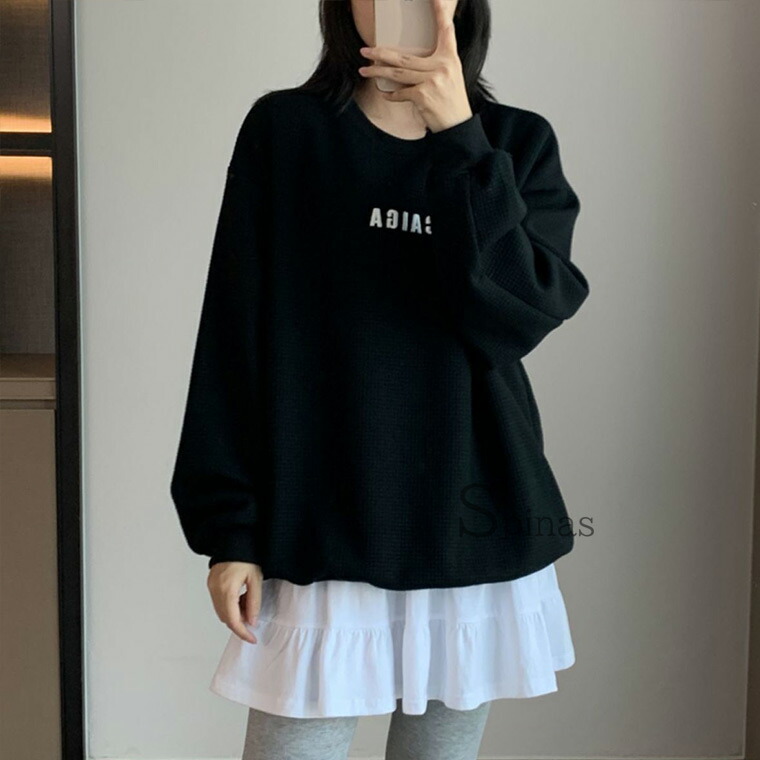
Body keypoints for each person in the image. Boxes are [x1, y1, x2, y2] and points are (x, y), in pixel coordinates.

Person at [170, 0, 590, 758]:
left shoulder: (514, 143)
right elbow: (233, 335)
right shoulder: (287, 133)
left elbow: (516, 315)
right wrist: (229, 530)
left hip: (469, 524)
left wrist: (460, 139)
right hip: (319, 520)